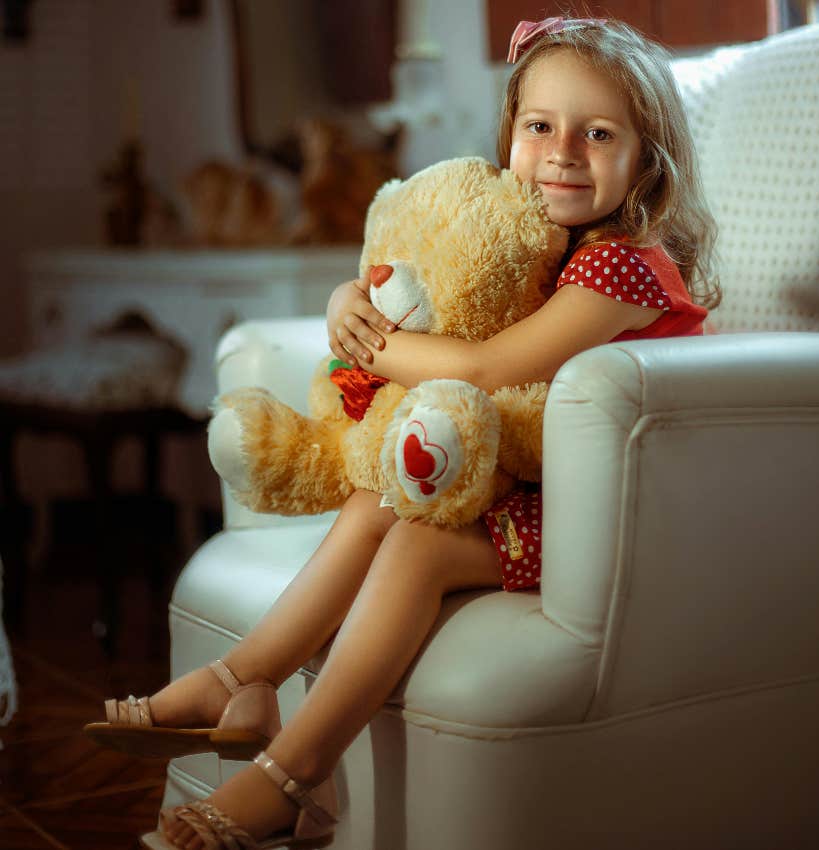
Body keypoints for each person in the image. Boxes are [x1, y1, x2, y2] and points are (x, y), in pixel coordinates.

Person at [84, 17, 721, 849]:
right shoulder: (543, 250)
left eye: (598, 134)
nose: (563, 152)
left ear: (648, 161)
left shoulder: (622, 264)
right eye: (540, 125)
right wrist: (347, 301)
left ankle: (292, 776)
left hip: (613, 518)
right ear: (510, 135)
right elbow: (438, 304)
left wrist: (369, 345)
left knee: (418, 543)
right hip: (541, 490)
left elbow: (486, 367)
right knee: (376, 498)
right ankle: (240, 679)